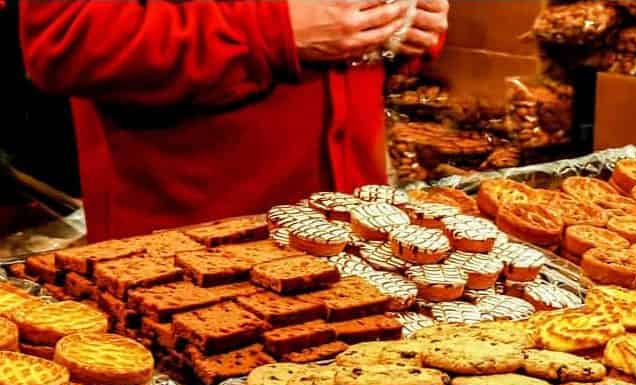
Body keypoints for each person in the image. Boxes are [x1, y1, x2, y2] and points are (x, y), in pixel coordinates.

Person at [19, 0, 448, 240]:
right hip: (190, 263)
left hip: (357, 235)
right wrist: (272, 32)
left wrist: (403, 24)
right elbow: (66, 38)